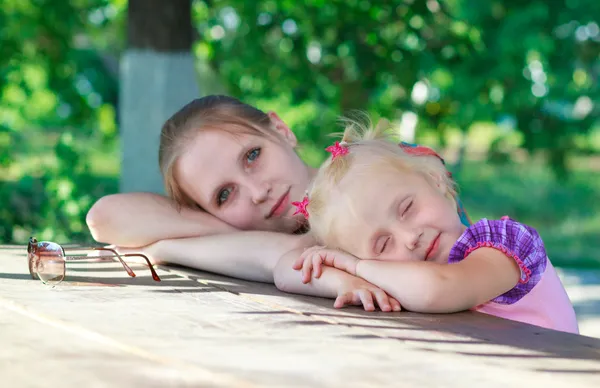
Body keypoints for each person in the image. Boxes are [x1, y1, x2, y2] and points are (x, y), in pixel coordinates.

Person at [85, 95, 463, 312]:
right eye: (224, 195)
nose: (257, 191)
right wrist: (228, 235)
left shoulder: (373, 173)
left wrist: (172, 245)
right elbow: (104, 218)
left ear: (281, 130)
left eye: (252, 155)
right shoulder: (280, 246)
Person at [292, 118, 579, 334]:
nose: (409, 238)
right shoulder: (403, 280)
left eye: (407, 208)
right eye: (382, 244)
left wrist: (355, 267)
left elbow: (439, 289)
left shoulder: (507, 244)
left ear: (435, 181)